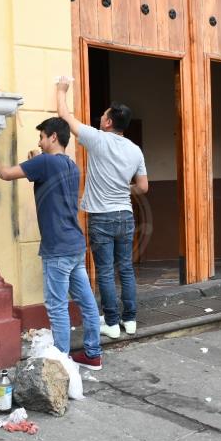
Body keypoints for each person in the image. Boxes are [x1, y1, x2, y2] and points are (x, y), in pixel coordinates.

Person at [0, 117, 102, 370]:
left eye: (41, 137)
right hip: (74, 244)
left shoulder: (44, 162)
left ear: (53, 137)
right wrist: (35, 158)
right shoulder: (70, 165)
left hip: (57, 248)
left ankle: (61, 361)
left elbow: (7, 174)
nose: (39, 142)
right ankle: (93, 354)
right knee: (86, 302)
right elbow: (42, 170)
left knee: (57, 306)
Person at [55, 77, 148, 339]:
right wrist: (123, 188)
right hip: (126, 215)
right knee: (126, 268)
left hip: (102, 217)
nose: (100, 118)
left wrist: (61, 90)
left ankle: (111, 321)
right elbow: (143, 187)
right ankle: (130, 320)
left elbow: (64, 115)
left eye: (103, 116)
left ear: (108, 122)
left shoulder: (97, 139)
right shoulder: (135, 150)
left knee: (106, 271)